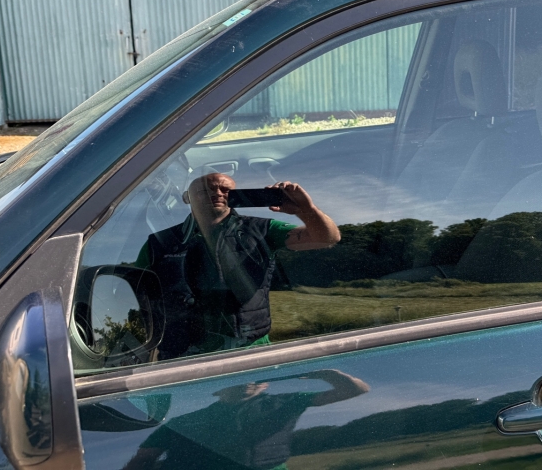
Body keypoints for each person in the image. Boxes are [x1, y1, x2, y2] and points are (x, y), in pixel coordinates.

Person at [135, 172, 340, 358]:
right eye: (205, 190)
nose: (217, 193)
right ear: (187, 198)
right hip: (182, 354)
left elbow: (326, 238)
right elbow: (136, 292)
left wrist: (306, 210)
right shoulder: (159, 243)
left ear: (236, 196)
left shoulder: (262, 229)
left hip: (249, 353)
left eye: (226, 190)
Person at [123, 369, 370, 470]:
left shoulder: (286, 401)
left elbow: (355, 389)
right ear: (216, 388)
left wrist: (325, 373)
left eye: (259, 376)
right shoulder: (184, 422)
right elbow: (142, 460)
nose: (250, 382)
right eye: (239, 377)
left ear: (267, 384)